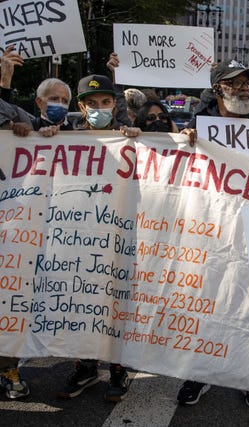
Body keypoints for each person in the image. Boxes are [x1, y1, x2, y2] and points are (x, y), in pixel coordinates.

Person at [178, 59, 249, 409]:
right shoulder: (198, 125)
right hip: (210, 229)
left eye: (247, 83)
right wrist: (185, 140)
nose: (243, 89)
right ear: (217, 89)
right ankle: (199, 374)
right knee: (206, 302)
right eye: (233, 84)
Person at [57, 73, 138, 402]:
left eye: (106, 103)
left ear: (115, 104)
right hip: (79, 236)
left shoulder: (131, 140)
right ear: (81, 106)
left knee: (116, 302)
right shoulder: (62, 140)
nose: (100, 108)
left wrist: (144, 135)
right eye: (92, 104)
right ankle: (86, 366)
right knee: (82, 302)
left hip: (119, 234)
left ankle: (119, 369)